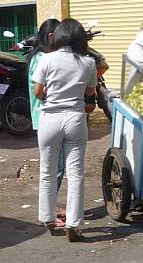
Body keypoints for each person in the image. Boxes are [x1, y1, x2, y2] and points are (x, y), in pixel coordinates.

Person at [32, 18, 97, 242]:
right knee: (76, 174)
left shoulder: (47, 59)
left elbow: (38, 92)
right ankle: (74, 224)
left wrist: (51, 92)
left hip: (50, 118)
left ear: (58, 36)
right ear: (80, 38)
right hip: (76, 118)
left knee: (47, 171)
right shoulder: (89, 62)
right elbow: (90, 93)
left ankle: (48, 219)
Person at [27, 18, 66, 227]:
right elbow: (41, 92)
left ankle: (51, 207)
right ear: (52, 36)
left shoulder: (41, 57)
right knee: (55, 168)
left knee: (55, 167)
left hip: (46, 118)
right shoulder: (43, 58)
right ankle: (48, 211)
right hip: (45, 117)